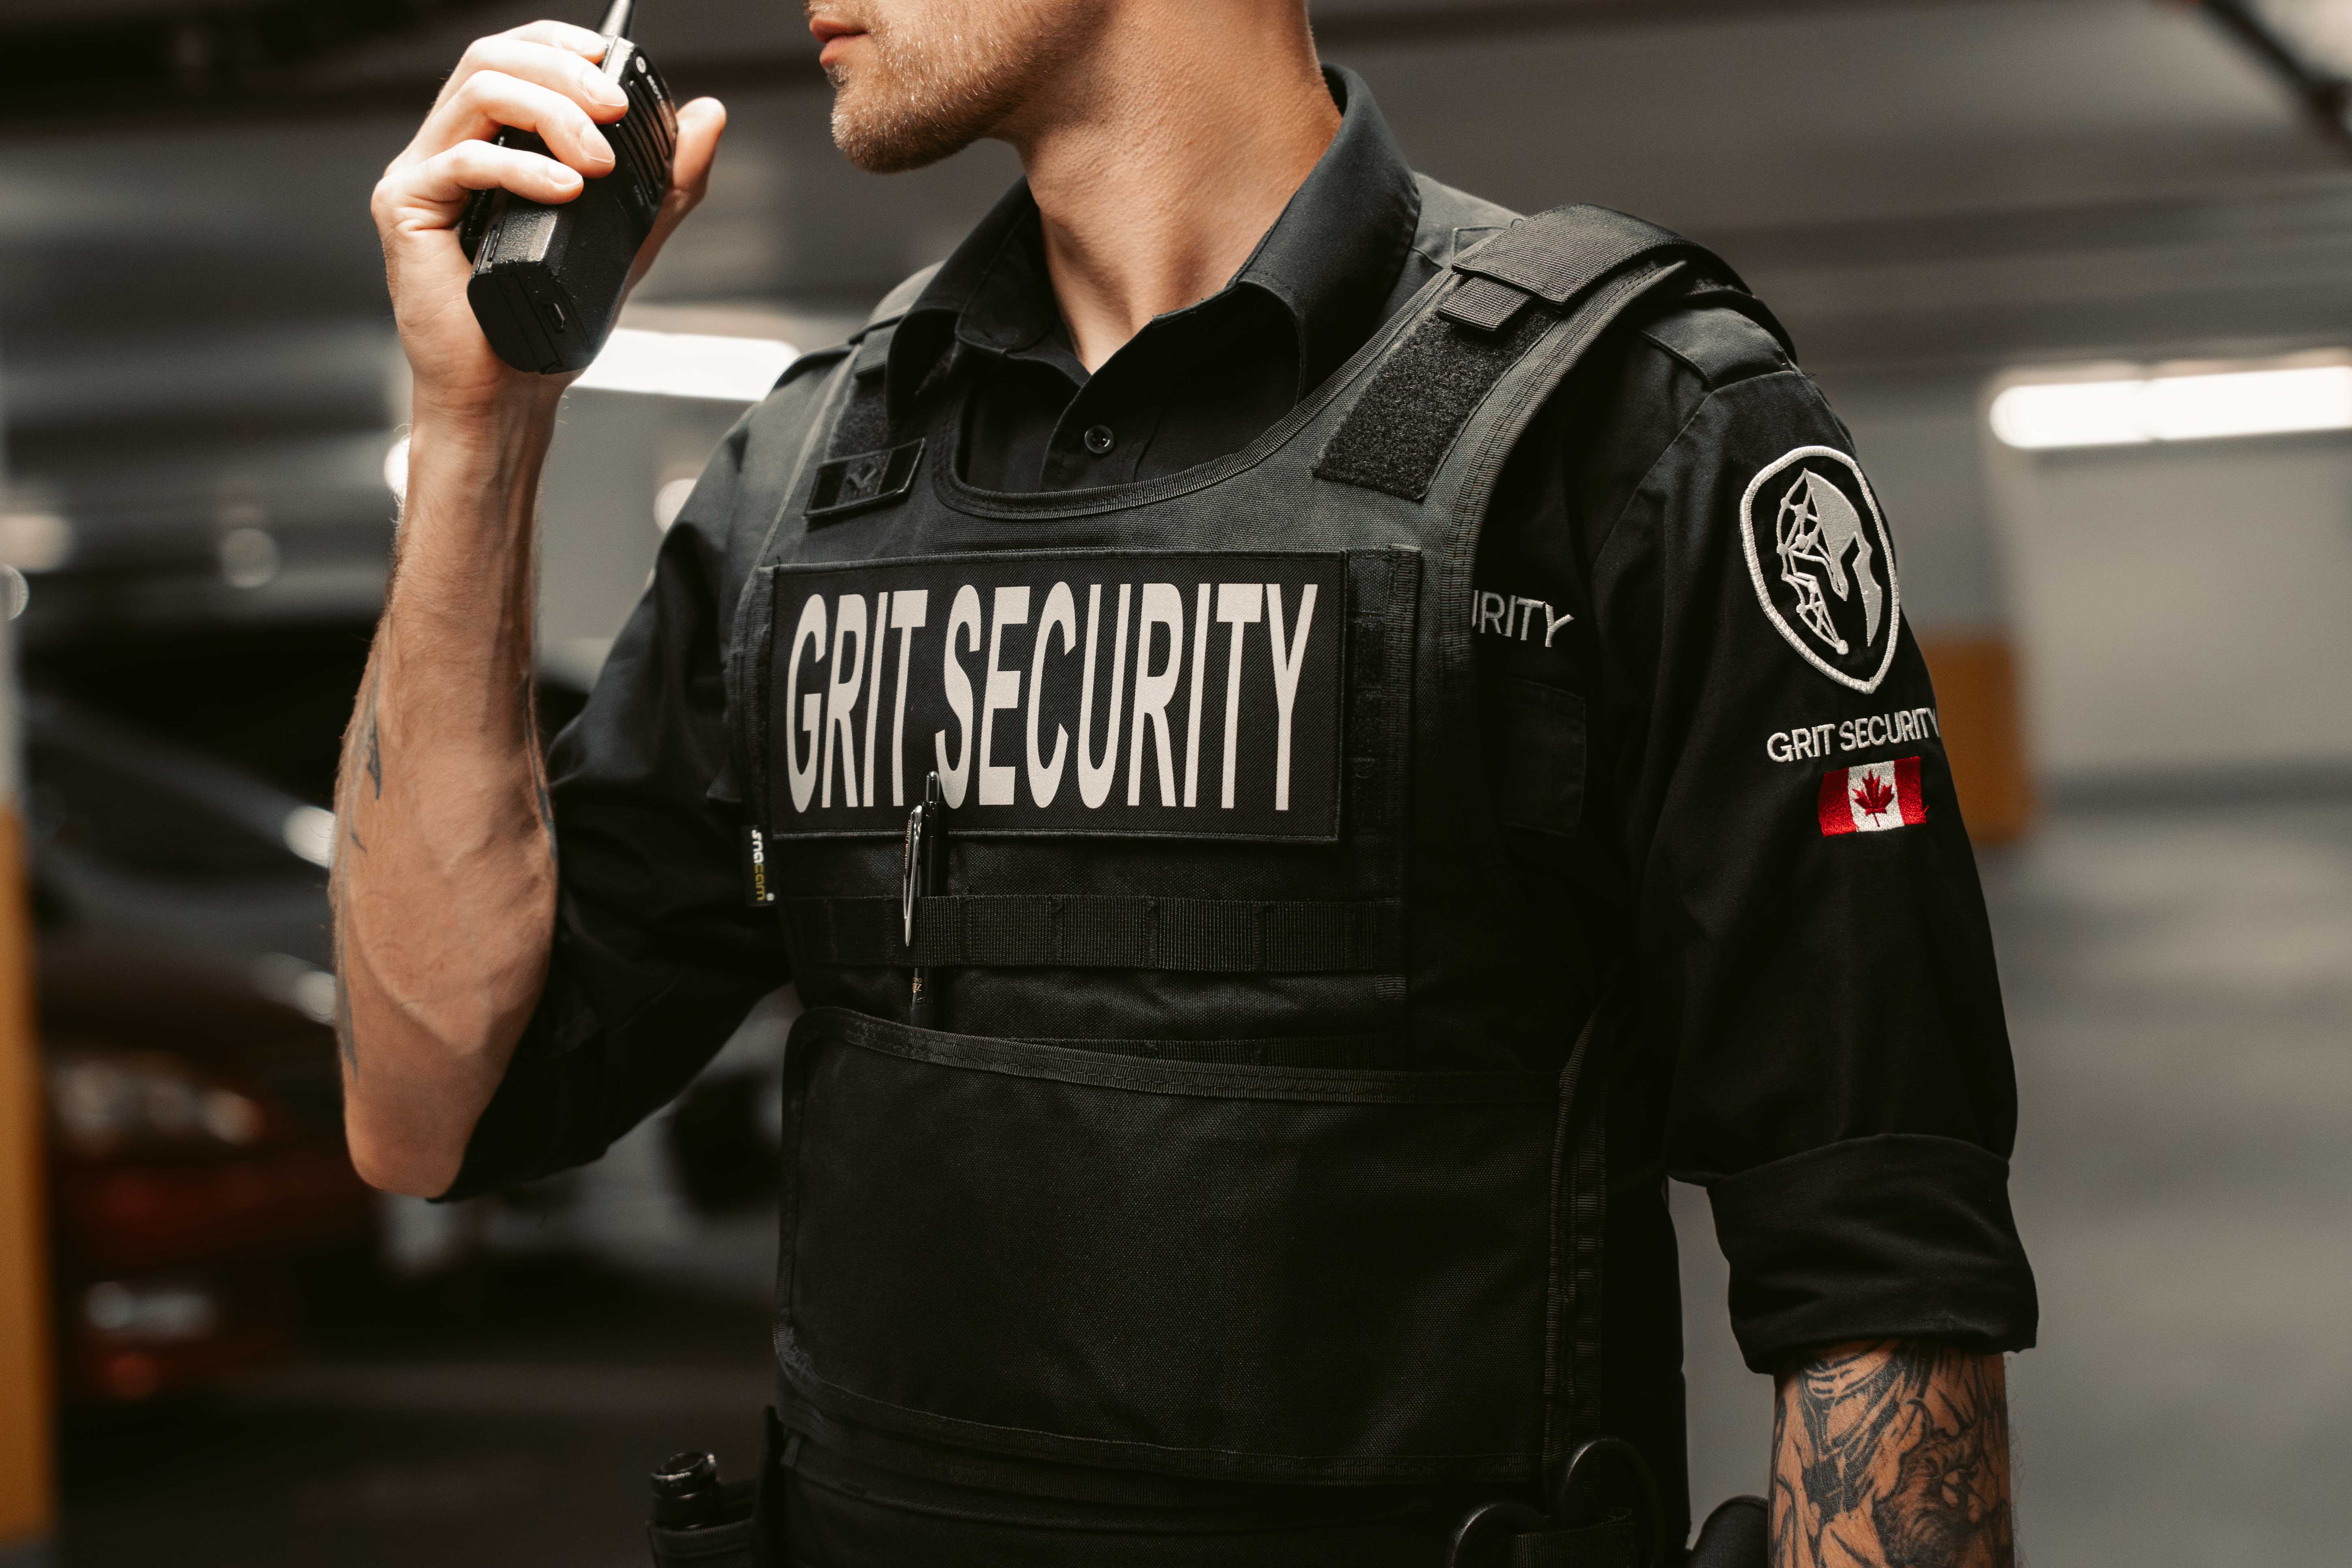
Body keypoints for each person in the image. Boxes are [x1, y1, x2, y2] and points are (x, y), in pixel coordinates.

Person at [343, 2, 2036, 1564]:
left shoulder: (1632, 432)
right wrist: (478, 428)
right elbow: (429, 1114)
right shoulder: (806, 487)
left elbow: (1881, 1282)